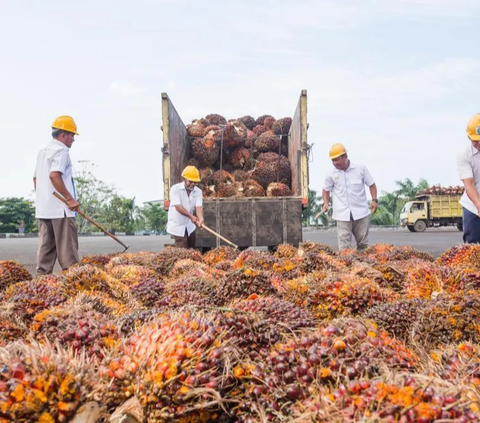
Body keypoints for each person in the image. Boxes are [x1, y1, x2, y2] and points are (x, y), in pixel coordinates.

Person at [34, 116, 80, 274]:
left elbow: (36, 178)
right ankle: (74, 285)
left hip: (44, 209)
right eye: (72, 135)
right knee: (69, 255)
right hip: (61, 211)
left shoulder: (43, 152)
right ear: (63, 135)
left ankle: (41, 284)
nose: (73, 139)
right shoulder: (62, 151)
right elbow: (54, 175)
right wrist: (69, 198)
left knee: (45, 252)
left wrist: (42, 197)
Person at [322, 143, 378, 251]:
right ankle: (348, 267)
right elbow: (325, 190)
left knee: (363, 246)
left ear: (345, 157)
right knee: (344, 248)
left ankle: (363, 266)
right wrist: (325, 203)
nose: (334, 163)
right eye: (332, 160)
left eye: (337, 159)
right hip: (342, 215)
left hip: (360, 213)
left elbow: (371, 184)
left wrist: (374, 200)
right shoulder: (331, 173)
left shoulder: (360, 169)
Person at [166, 166, 204, 248]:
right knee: (182, 249)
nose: (193, 184)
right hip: (178, 225)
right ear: (184, 179)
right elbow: (178, 207)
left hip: (189, 225)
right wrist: (191, 216)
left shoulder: (198, 191)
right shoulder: (175, 189)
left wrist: (200, 218)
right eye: (191, 181)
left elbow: (198, 206)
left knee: (192, 249)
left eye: (195, 182)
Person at [457, 113, 480, 244]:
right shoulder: (464, 155)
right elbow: (469, 184)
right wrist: (478, 206)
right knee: (473, 247)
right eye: (475, 140)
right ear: (468, 136)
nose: (479, 143)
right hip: (473, 206)